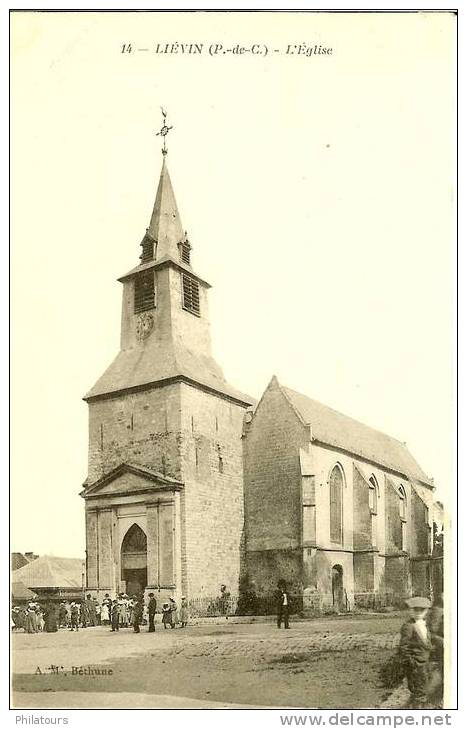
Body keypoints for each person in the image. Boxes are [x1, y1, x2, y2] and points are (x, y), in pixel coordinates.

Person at [399, 596, 433, 708]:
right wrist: (412, 662)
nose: (418, 613)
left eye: (422, 610)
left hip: (426, 663)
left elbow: (427, 643)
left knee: (425, 689)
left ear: (427, 611)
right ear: (410, 610)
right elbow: (404, 647)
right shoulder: (408, 626)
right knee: (419, 692)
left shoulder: (426, 624)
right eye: (415, 609)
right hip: (416, 665)